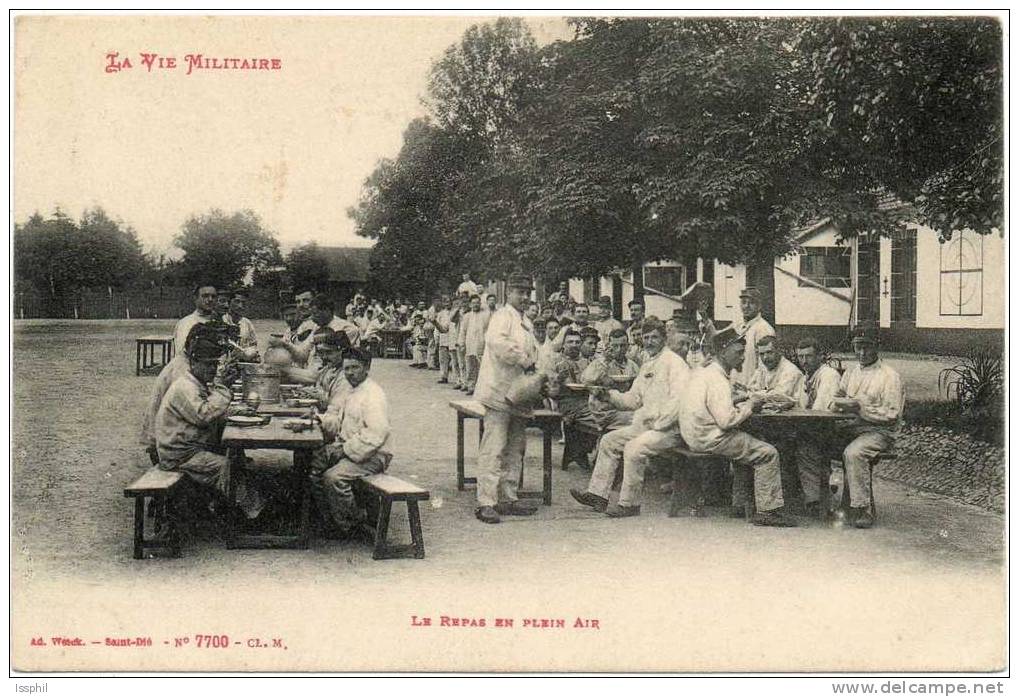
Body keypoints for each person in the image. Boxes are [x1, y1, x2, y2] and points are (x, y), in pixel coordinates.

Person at [569, 318, 690, 517]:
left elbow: (679, 402)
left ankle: (629, 504)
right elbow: (633, 400)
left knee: (634, 448)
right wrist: (607, 395)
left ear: (664, 338)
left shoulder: (675, 363)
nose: (649, 341)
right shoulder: (647, 365)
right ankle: (598, 495)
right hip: (646, 426)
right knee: (609, 441)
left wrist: (659, 423)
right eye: (646, 337)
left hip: (670, 429)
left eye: (654, 337)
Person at [678, 327, 796, 527]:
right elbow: (726, 421)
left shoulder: (705, 373)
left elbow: (713, 405)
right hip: (710, 438)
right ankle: (768, 511)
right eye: (738, 353)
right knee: (768, 452)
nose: (743, 358)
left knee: (747, 443)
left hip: (693, 435)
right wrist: (751, 406)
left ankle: (739, 503)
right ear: (723, 352)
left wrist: (739, 398)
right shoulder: (718, 380)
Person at [154, 324, 265, 522]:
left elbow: (209, 409)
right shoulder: (184, 386)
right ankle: (252, 518)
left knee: (238, 459)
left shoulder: (195, 382)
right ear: (193, 362)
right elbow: (204, 415)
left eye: (214, 365)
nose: (212, 370)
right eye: (207, 365)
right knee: (228, 467)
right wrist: (223, 388)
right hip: (179, 456)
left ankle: (239, 508)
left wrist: (234, 409)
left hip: (189, 448)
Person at [473, 273, 540, 524]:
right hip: (499, 391)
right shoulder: (502, 316)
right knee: (494, 447)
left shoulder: (525, 321)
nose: (524, 297)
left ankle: (509, 497)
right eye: (519, 292)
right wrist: (523, 358)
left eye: (527, 293)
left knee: (516, 447)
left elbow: (535, 351)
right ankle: (486, 501)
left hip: (520, 393)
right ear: (508, 293)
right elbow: (497, 343)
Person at [309, 346, 392, 538]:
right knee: (314, 464)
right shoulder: (353, 390)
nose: (350, 373)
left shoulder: (373, 394)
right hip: (353, 448)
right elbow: (343, 421)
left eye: (355, 368)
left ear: (367, 368)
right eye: (346, 369)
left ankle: (353, 523)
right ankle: (328, 517)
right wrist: (318, 419)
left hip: (375, 454)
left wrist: (344, 451)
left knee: (334, 478)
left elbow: (376, 434)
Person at [831, 323, 905, 528]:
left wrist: (859, 408)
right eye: (857, 347)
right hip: (854, 428)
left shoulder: (889, 376)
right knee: (816, 441)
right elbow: (839, 394)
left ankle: (863, 508)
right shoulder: (852, 372)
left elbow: (892, 414)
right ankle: (820, 502)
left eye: (867, 347)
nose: (862, 352)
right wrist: (838, 402)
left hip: (880, 431)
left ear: (877, 347)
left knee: (854, 453)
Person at [793, 337, 845, 516]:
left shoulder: (828, 375)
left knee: (802, 447)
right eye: (800, 357)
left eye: (808, 356)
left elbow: (820, 412)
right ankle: (804, 496)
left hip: (833, 430)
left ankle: (813, 501)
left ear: (820, 356)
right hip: (816, 429)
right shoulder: (807, 376)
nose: (804, 361)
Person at [581, 328, 640, 431]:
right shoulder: (600, 362)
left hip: (624, 407)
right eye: (615, 346)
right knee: (639, 420)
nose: (619, 349)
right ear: (609, 346)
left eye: (623, 346)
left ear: (628, 346)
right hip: (604, 411)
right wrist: (606, 361)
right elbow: (585, 379)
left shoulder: (632, 365)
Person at [747, 335, 805, 406]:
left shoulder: (790, 370)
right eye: (762, 354)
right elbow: (750, 389)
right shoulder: (762, 368)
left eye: (769, 352)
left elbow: (778, 396)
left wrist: (755, 394)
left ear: (779, 351)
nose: (765, 357)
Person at [736, 287, 775, 385]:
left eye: (751, 303)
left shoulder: (764, 329)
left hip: (750, 389)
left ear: (759, 306)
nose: (746, 306)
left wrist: (753, 389)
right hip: (735, 385)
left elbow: (765, 367)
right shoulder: (738, 326)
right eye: (744, 302)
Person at [173, 284, 219, 353]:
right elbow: (182, 353)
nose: (210, 299)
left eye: (213, 296)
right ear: (195, 298)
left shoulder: (219, 322)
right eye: (205, 296)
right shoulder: (186, 323)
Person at [223, 288, 258, 355]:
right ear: (229, 302)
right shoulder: (222, 320)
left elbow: (253, 344)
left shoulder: (247, 323)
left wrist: (250, 352)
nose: (240, 306)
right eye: (237, 301)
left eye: (243, 303)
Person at [462, 294, 486, 394]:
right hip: (470, 344)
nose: (475, 305)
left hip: (481, 345)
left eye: (477, 303)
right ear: (470, 304)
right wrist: (462, 344)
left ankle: (481, 388)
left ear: (480, 304)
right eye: (473, 303)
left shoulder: (484, 315)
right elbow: (463, 331)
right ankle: (471, 386)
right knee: (470, 367)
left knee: (481, 367)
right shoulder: (467, 316)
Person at [434, 296, 453, 384]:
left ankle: (458, 378)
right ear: (443, 303)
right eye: (446, 302)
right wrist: (436, 339)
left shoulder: (454, 312)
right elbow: (437, 327)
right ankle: (443, 376)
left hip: (453, 338)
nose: (447, 304)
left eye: (449, 302)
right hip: (443, 338)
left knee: (454, 360)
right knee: (443, 359)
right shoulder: (441, 314)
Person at [625, 299, 647, 364]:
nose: (633, 313)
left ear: (643, 312)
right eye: (631, 310)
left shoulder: (649, 328)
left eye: (636, 310)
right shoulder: (628, 330)